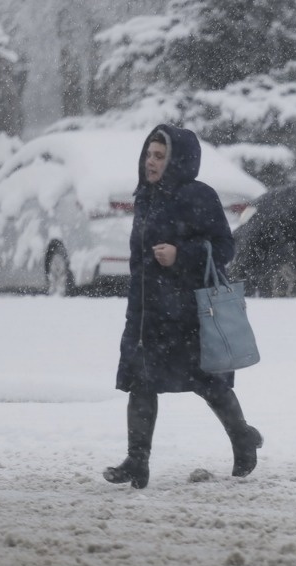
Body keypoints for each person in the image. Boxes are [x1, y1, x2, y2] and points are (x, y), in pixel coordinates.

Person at [104, 125, 263, 489]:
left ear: (178, 159)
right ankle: (136, 461)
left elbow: (225, 248)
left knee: (210, 384)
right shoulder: (146, 196)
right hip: (148, 312)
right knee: (141, 382)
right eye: (149, 154)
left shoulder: (197, 195)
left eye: (160, 156)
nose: (151, 162)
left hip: (187, 314)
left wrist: (181, 254)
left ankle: (243, 438)